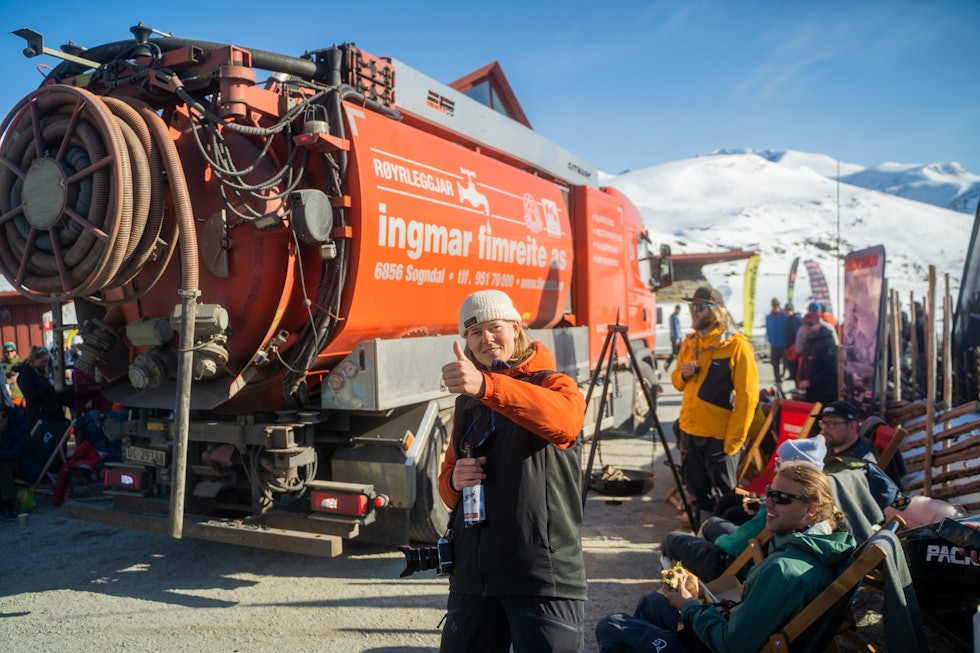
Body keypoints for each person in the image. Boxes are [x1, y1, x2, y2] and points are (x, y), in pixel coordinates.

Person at [437, 290, 587, 653]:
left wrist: (488, 386)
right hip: (474, 577)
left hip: (539, 576)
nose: (486, 338)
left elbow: (566, 422)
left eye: (495, 327)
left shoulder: (554, 384)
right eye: (475, 333)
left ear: (516, 329)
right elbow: (447, 484)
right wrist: (455, 483)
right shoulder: (467, 403)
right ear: (467, 343)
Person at [596, 460, 855, 653]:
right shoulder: (827, 546)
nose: (768, 502)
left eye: (781, 497)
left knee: (612, 626)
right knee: (653, 603)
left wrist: (689, 605)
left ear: (811, 509)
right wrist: (704, 604)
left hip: (722, 647)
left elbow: (731, 645)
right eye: (769, 492)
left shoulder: (785, 570)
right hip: (737, 632)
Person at [660, 436, 828, 583]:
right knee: (712, 522)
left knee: (672, 540)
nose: (769, 501)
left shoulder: (778, 514)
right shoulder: (817, 507)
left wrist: (721, 540)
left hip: (736, 569)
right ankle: (696, 561)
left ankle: (682, 580)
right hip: (749, 557)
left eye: (779, 462)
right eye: (770, 492)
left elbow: (737, 545)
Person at [671, 286, 759, 525]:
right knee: (699, 496)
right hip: (690, 432)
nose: (693, 312)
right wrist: (684, 374)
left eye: (699, 307)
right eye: (692, 307)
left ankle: (728, 549)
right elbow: (677, 382)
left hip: (720, 438)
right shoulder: (690, 343)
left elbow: (748, 397)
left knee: (726, 497)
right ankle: (702, 540)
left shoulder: (736, 346)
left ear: (716, 311)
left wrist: (733, 443)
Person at [12, 345, 73, 428]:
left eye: (48, 361)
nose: (46, 364)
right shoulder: (26, 374)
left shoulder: (48, 372)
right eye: (44, 361)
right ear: (34, 360)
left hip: (54, 414)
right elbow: (30, 395)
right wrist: (50, 386)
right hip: (39, 417)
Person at [0, 404, 40, 517]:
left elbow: (17, 453)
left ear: (9, 417)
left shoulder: (20, 430)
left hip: (24, 465)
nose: (0, 418)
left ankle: (10, 503)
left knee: (3, 467)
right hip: (8, 467)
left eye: (3, 415)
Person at [797, 309, 838, 405]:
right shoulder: (809, 341)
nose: (807, 327)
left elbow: (832, 370)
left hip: (825, 394)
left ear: (819, 324)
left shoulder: (827, 342)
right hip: (812, 392)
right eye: (804, 324)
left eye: (810, 324)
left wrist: (810, 382)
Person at [764, 298, 785, 384]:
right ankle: (777, 379)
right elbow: (768, 329)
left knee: (786, 363)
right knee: (774, 362)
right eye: (774, 305)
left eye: (777, 305)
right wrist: (769, 339)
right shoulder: (769, 317)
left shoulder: (784, 316)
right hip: (774, 344)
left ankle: (783, 375)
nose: (775, 306)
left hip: (783, 344)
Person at [781, 303, 802, 385]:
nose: (786, 312)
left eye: (789, 310)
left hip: (795, 346)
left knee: (796, 367)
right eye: (786, 310)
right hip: (788, 346)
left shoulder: (796, 319)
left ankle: (798, 384)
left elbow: (798, 333)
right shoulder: (786, 320)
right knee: (790, 365)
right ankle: (793, 378)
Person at [2, 342, 23, 407]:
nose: (9, 353)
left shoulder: (21, 364)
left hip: (21, 396)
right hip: (7, 397)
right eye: (7, 351)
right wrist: (8, 381)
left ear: (15, 351)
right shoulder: (1, 365)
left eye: (12, 350)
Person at [665, 305, 683, 370]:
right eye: (678, 310)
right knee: (675, 352)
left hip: (676, 336)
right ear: (676, 309)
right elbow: (675, 328)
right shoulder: (674, 317)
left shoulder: (675, 316)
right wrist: (677, 338)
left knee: (678, 352)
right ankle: (668, 362)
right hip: (675, 337)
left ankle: (678, 366)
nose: (679, 311)